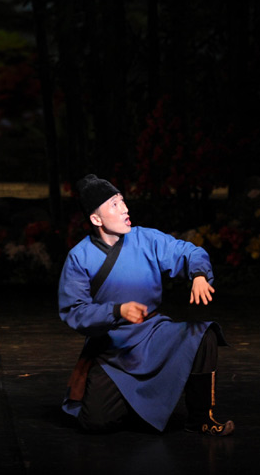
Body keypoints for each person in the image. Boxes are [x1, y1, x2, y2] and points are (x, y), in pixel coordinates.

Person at [58, 174, 234, 436]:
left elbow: (189, 252)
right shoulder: (79, 257)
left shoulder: (146, 239)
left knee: (203, 335)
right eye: (114, 205)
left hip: (153, 333)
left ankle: (201, 418)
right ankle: (135, 406)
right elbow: (74, 310)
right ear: (96, 219)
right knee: (96, 421)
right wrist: (117, 310)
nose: (125, 209)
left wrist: (198, 274)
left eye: (122, 201)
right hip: (113, 346)